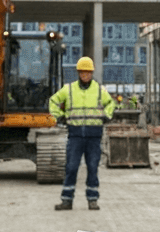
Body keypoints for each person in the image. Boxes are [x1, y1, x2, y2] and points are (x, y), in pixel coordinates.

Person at [49, 54, 114, 210]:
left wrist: (106, 115)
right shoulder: (69, 90)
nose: (85, 75)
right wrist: (60, 117)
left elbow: (110, 104)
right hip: (75, 135)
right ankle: (67, 200)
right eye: (82, 72)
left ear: (92, 73)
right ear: (78, 73)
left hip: (93, 136)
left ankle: (92, 199)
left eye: (88, 72)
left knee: (92, 167)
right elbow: (53, 101)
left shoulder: (99, 91)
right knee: (71, 167)